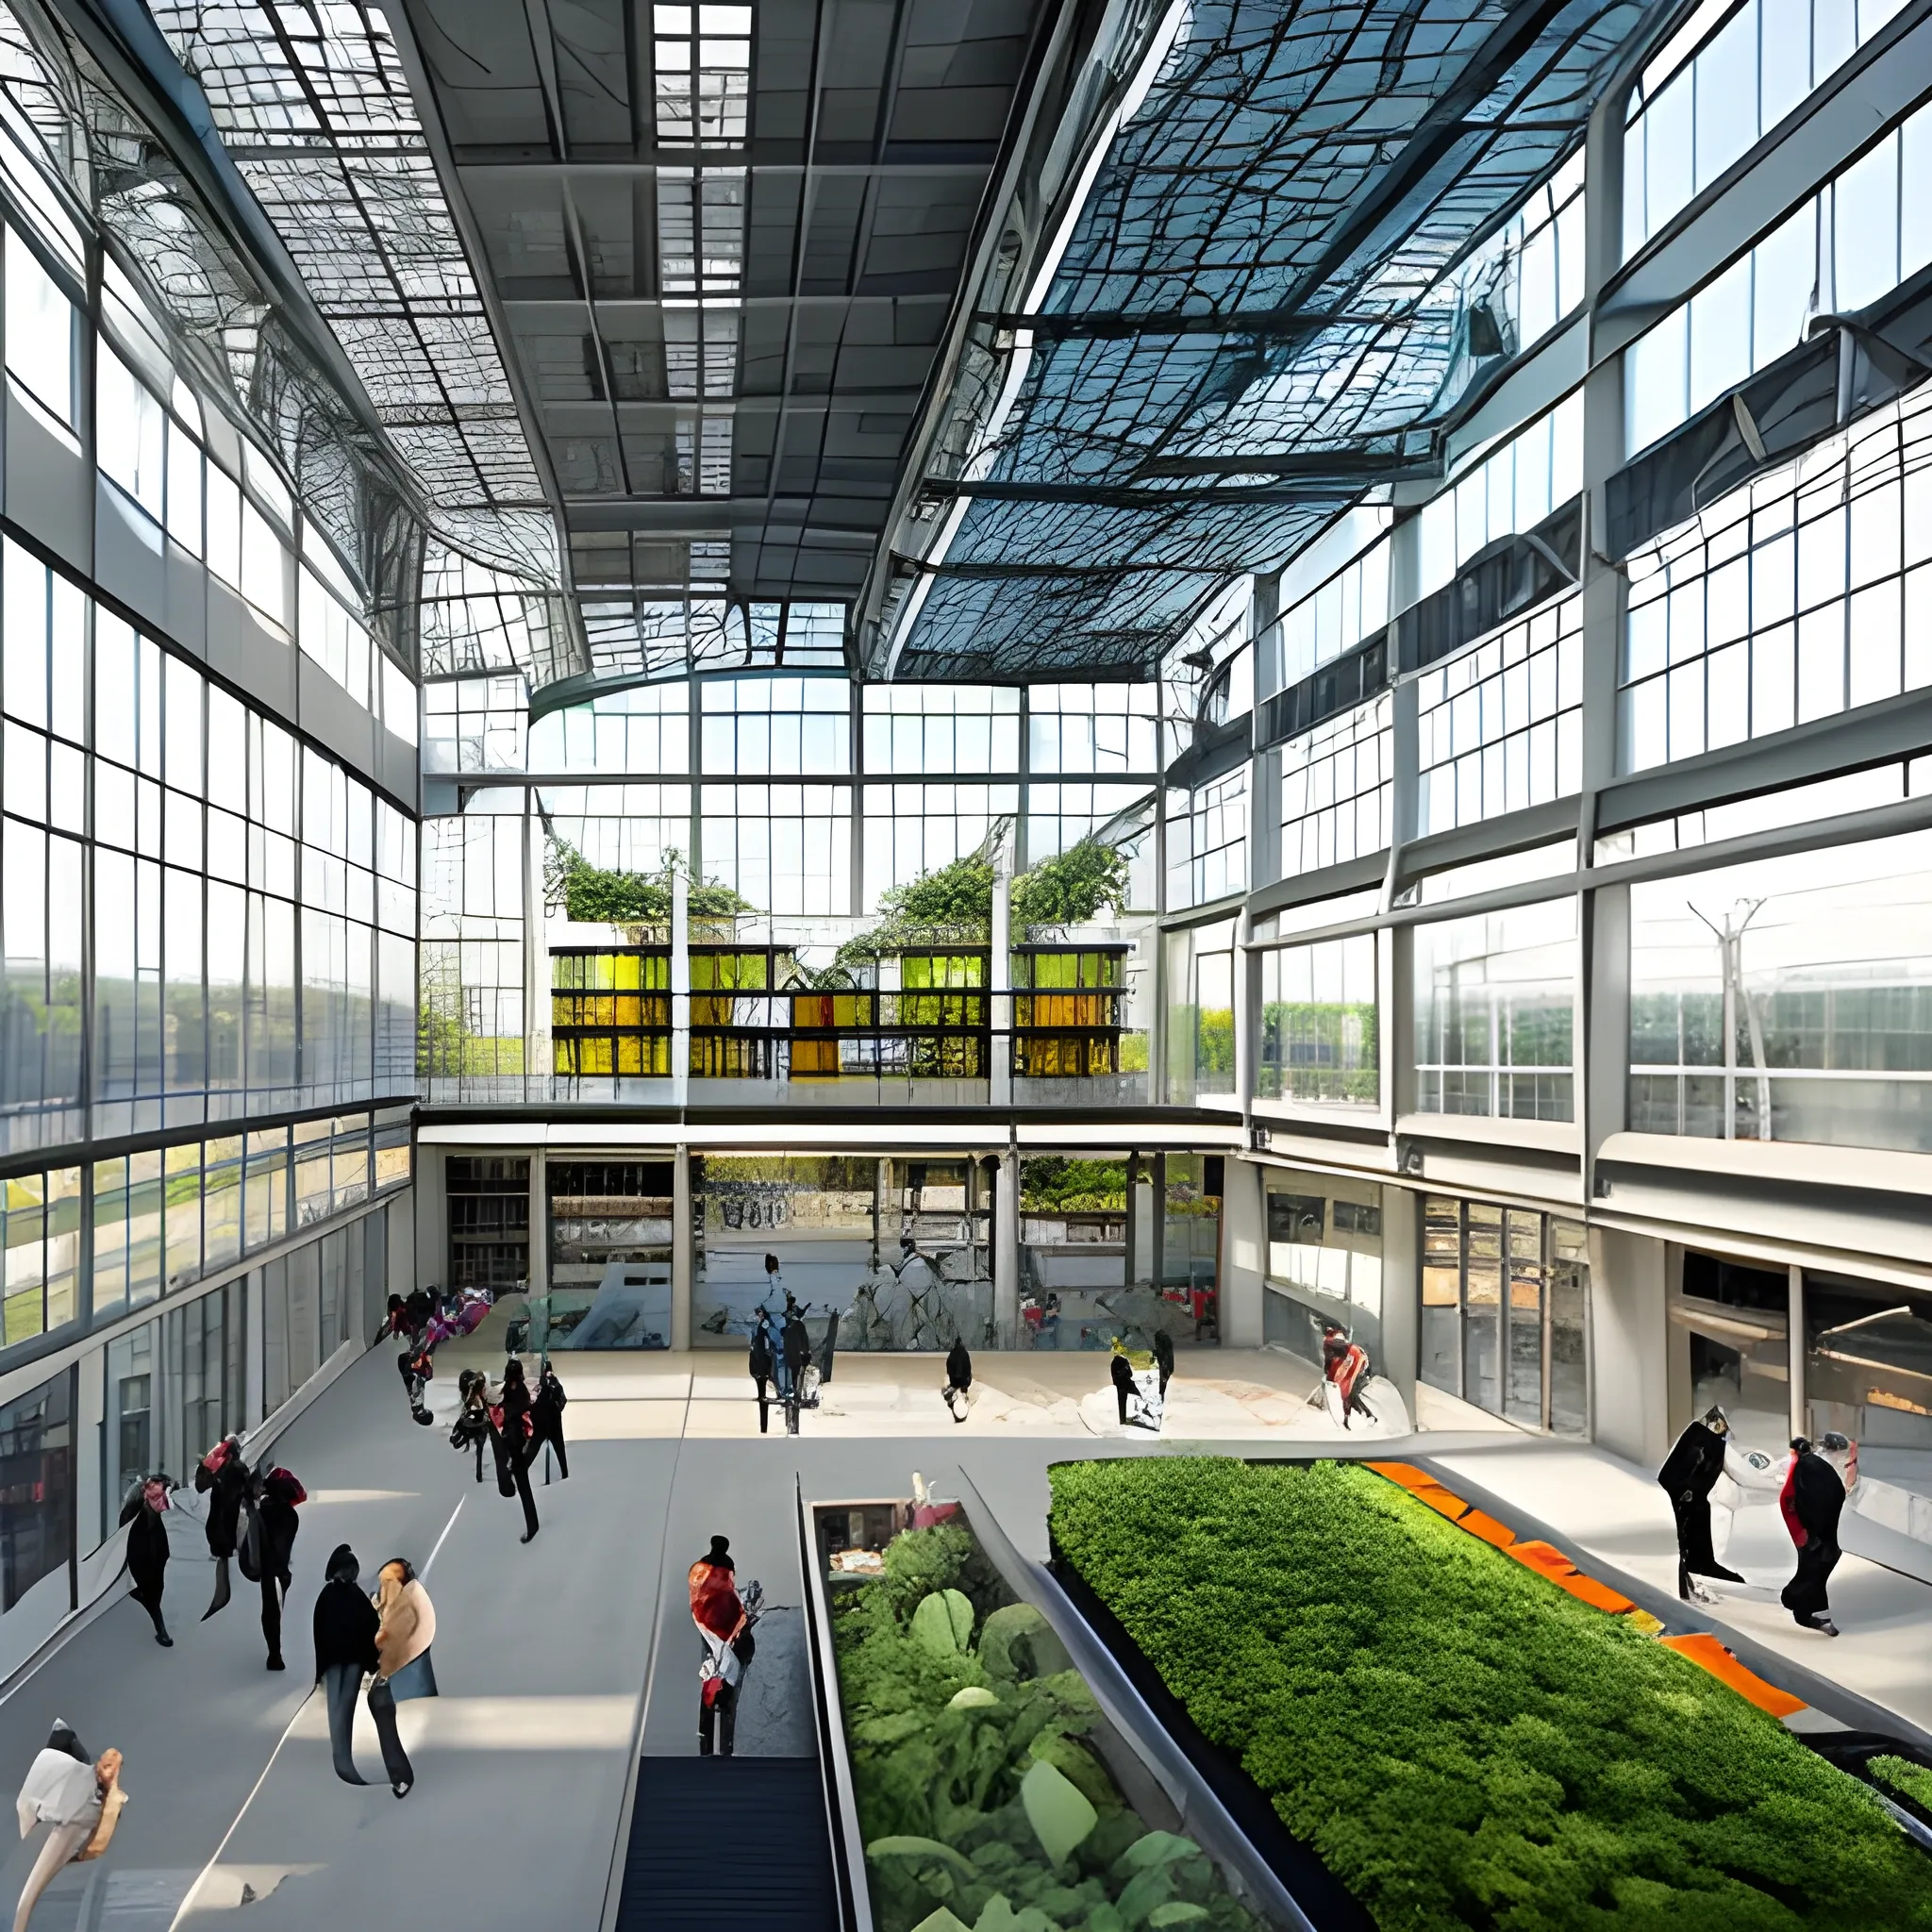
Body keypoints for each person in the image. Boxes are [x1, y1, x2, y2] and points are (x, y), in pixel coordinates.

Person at [13, 1728, 125, 1932]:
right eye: (106, 1765)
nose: (107, 1771)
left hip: (67, 1828)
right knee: (31, 1890)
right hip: (66, 1826)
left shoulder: (105, 1794)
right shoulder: (84, 1780)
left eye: (111, 1768)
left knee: (31, 1889)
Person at [1657, 1406, 1749, 1601]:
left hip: (1692, 1499)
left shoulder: (1701, 1439)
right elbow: (1684, 1471)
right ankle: (1694, 1565)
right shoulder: (1701, 1441)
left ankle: (1699, 1564)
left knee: (1697, 1522)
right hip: (1686, 1500)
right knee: (1689, 1528)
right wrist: (1687, 1491)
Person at [370, 1557, 438, 1798]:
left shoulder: (406, 1604)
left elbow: (386, 1641)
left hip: (404, 1672)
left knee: (377, 1701)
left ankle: (400, 1776)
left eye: (386, 1582)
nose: (382, 1588)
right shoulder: (410, 1594)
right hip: (411, 1667)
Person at [312, 1545, 378, 1786]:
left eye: (353, 1570)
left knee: (345, 1708)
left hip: (352, 1661)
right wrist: (319, 1669)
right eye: (347, 1570)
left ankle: (344, 1758)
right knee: (336, 1709)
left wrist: (370, 1661)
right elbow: (319, 1633)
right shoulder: (329, 1596)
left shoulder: (355, 1596)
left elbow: (371, 1627)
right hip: (335, 1661)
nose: (350, 1575)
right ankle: (339, 1758)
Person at [689, 1535, 749, 1758]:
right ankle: (721, 1711)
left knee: (711, 1663)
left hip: (706, 1620)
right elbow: (728, 1590)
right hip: (720, 1622)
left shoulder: (703, 1563)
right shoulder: (726, 1565)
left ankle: (706, 1731)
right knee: (723, 1665)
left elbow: (698, 1588)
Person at [1779, 1436, 1846, 1636]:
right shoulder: (1819, 1465)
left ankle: (1801, 1606)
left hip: (1814, 1532)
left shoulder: (1803, 1468)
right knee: (1819, 1569)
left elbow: (1794, 1501)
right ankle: (1808, 1606)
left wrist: (1804, 1531)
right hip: (1827, 1530)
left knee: (1813, 1570)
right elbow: (1838, 1493)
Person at [244, 1463, 305, 1670]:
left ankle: (274, 1653)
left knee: (269, 1611)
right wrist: (283, 1571)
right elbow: (281, 1547)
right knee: (274, 1612)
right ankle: (275, 1656)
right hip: (276, 1571)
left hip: (265, 1570)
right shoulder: (288, 1515)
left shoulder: (263, 1510)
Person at [193, 1436, 252, 1620]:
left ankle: (223, 1598)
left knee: (224, 1561)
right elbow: (248, 1494)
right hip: (226, 1526)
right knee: (225, 1560)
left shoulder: (221, 1470)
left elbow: (201, 1487)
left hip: (220, 1526)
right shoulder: (231, 1470)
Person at [119, 1475, 174, 1647]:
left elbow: (160, 1544)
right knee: (149, 1598)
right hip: (140, 1565)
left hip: (153, 1564)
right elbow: (127, 1544)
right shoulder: (134, 1516)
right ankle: (161, 1631)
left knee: (153, 1596)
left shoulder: (152, 1516)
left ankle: (158, 1627)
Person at [494, 1357, 540, 1542]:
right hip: (517, 1442)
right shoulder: (519, 1389)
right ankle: (532, 1526)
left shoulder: (513, 1391)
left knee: (524, 1486)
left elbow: (515, 1411)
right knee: (523, 1485)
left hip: (515, 1443)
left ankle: (532, 1527)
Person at [1320, 1322, 1375, 1429]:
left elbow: (1345, 1374)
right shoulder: (1335, 1345)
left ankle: (1361, 1417)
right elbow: (1331, 1365)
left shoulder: (1350, 1351)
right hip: (1357, 1364)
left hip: (1359, 1366)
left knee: (1349, 1393)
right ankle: (1364, 1416)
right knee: (1350, 1394)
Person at [531, 1361, 569, 1480]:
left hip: (544, 1422)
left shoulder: (541, 1385)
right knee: (559, 1450)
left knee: (534, 1448)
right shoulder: (554, 1383)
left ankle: (565, 1474)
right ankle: (565, 1475)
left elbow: (531, 1402)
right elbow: (563, 1400)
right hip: (552, 1421)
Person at [748, 1323, 774, 1436]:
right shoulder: (765, 1343)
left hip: (760, 1372)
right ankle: (764, 1428)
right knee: (762, 1397)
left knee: (762, 1396)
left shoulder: (757, 1345)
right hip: (762, 1372)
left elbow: (753, 1358)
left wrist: (754, 1372)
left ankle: (764, 1428)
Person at [942, 1336, 972, 1424]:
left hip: (954, 1380)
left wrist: (952, 1374)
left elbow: (949, 1366)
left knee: (954, 1392)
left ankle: (956, 1402)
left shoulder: (953, 1353)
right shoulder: (964, 1353)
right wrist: (967, 1376)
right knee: (962, 1391)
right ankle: (963, 1398)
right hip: (963, 1381)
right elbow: (968, 1367)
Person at [1109, 1345, 1137, 1427]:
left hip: (1120, 1385)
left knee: (1121, 1402)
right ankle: (1123, 1419)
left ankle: (1122, 1419)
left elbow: (1114, 1376)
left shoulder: (1114, 1362)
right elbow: (1130, 1374)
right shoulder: (1124, 1361)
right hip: (1125, 1384)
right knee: (1124, 1401)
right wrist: (1125, 1371)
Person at [1153, 1328, 1175, 1403]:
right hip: (1168, 1364)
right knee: (1163, 1382)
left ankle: (1161, 1396)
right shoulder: (1167, 1343)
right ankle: (1161, 1395)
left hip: (1165, 1364)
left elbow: (1162, 1356)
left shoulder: (1162, 1346)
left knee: (1163, 1381)